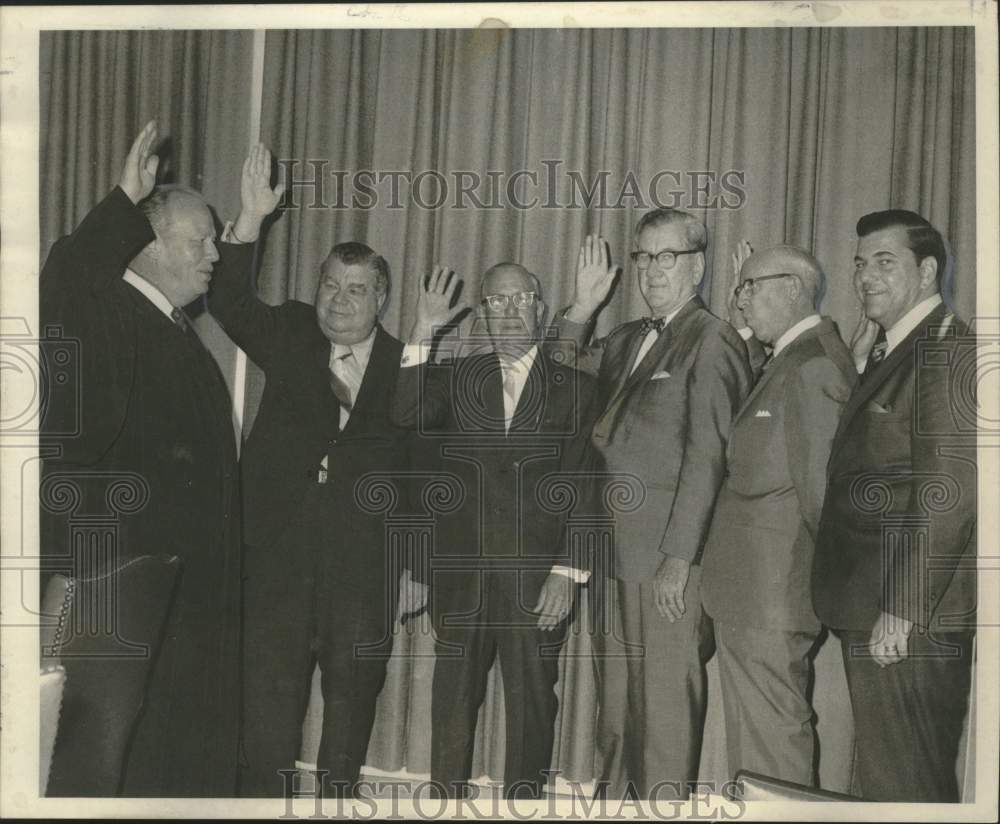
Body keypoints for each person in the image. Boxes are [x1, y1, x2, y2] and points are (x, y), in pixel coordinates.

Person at [207, 145, 425, 797]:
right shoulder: (293, 333)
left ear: (380, 299)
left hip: (362, 571)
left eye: (356, 290)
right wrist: (249, 220)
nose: (339, 301)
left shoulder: (405, 366)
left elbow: (420, 472)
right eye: (330, 285)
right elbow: (227, 302)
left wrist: (415, 564)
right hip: (276, 558)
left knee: (350, 713)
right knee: (264, 719)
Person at [40, 121, 241, 796]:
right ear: (145, 244)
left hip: (175, 593)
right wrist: (122, 202)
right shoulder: (107, 310)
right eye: (201, 239)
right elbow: (67, 277)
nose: (215, 253)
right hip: (113, 582)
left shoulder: (178, 330)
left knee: (153, 761)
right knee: (88, 763)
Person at [553, 210, 753, 799]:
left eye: (668, 256)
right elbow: (559, 381)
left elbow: (709, 456)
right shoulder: (622, 339)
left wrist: (679, 558)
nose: (652, 270)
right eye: (643, 257)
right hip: (611, 558)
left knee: (664, 717)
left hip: (666, 564)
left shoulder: (712, 338)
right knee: (614, 716)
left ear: (696, 265)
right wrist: (581, 312)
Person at [391, 262, 599, 799]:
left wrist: (568, 571)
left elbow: (587, 481)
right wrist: (423, 332)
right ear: (480, 313)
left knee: (533, 705)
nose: (506, 311)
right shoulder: (457, 377)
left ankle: (523, 806)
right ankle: (444, 804)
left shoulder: (575, 388)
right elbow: (405, 410)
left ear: (541, 308)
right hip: (461, 580)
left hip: (537, 581)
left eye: (518, 299)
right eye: (493, 301)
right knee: (452, 705)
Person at [812, 209, 977, 802]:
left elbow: (950, 489)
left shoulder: (945, 348)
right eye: (860, 264)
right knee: (890, 784)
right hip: (879, 604)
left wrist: (903, 608)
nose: (865, 277)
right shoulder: (892, 351)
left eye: (885, 262)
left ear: (927, 271)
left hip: (909, 616)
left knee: (905, 787)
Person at [700, 245, 855, 785]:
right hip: (754, 593)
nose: (742, 302)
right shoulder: (791, 359)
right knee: (755, 751)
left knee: (774, 749)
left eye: (750, 287)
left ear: (792, 288)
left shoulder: (813, 367)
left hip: (772, 594)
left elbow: (821, 497)